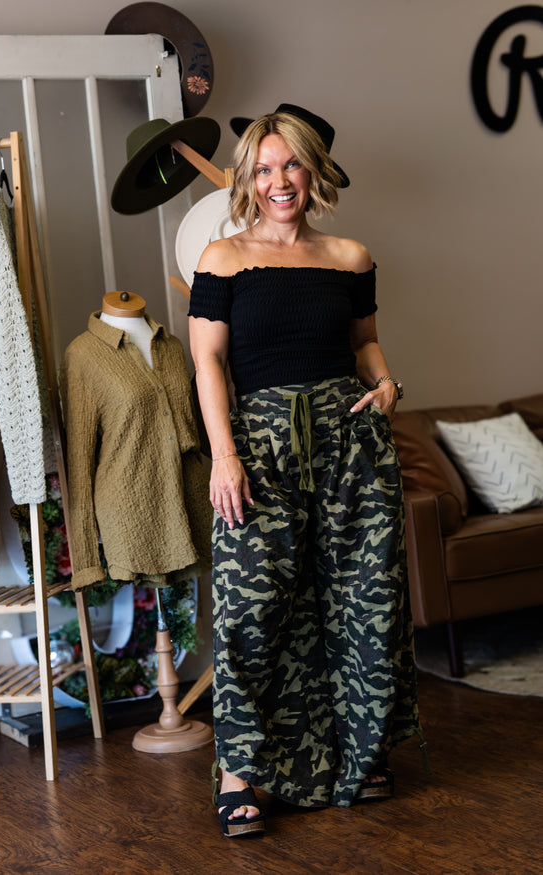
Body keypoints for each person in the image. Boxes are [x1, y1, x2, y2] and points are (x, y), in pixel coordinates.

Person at [188, 104, 421, 838]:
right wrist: (225, 455)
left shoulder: (350, 256)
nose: (279, 180)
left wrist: (387, 385)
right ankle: (240, 772)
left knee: (365, 601)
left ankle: (362, 753)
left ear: (314, 169)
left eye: (291, 164)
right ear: (248, 179)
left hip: (350, 441)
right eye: (263, 169)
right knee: (253, 611)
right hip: (260, 447)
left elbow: (366, 343)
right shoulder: (223, 259)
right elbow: (208, 363)